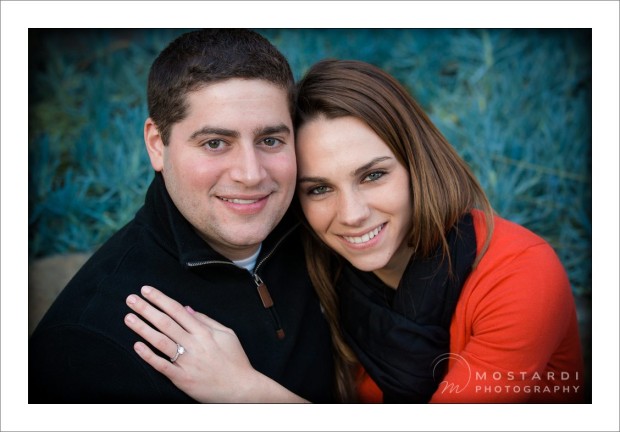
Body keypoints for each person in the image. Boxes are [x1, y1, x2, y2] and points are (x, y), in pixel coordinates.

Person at [124, 59, 585, 403]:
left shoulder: (519, 275)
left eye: (373, 175)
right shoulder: (322, 262)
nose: (353, 214)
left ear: (415, 164)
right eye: (320, 188)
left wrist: (244, 392)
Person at [28, 29, 334, 403]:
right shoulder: (87, 348)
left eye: (270, 140)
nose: (251, 174)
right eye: (215, 143)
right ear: (158, 145)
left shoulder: (324, 225)